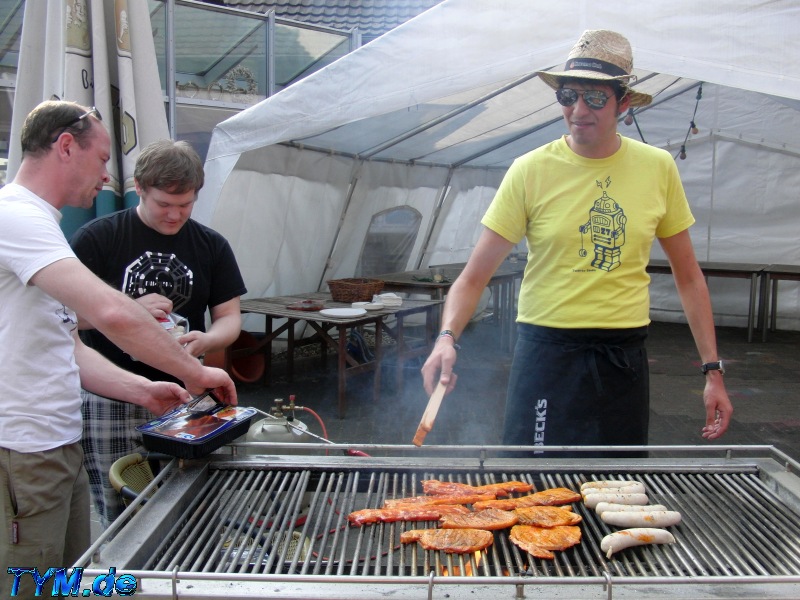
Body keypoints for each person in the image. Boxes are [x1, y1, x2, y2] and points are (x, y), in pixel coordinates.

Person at [421, 30, 733, 455]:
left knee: (616, 487)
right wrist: (446, 338)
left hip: (622, 354)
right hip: (546, 352)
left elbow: (690, 279)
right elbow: (474, 278)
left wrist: (713, 372)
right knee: (530, 487)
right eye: (568, 96)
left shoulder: (657, 168)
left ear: (623, 103)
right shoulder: (529, 170)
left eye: (595, 98)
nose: (578, 110)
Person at [0, 100, 237, 596]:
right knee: (26, 586)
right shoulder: (17, 217)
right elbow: (109, 315)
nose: (108, 175)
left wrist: (143, 389)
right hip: (21, 448)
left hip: (54, 443)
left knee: (63, 581)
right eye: (104, 157)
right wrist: (192, 374)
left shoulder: (42, 225)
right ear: (67, 146)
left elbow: (65, 341)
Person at [70, 139, 247, 527]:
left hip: (187, 394)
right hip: (111, 394)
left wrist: (209, 339)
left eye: (185, 205)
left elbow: (230, 318)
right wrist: (128, 310)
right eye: (164, 204)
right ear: (139, 187)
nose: (174, 215)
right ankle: (128, 583)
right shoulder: (98, 238)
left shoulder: (211, 245)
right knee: (121, 507)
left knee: (193, 501)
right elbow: (65, 318)